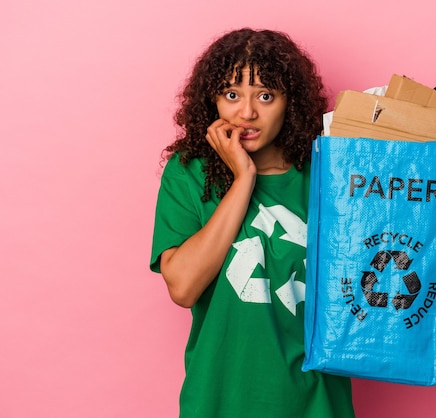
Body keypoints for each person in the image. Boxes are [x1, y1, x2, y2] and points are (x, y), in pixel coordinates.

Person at [149, 28, 355, 417]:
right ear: (212, 101)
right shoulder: (189, 174)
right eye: (231, 95)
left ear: (288, 102)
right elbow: (183, 287)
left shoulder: (330, 176)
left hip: (315, 403)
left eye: (265, 95)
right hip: (219, 400)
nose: (246, 113)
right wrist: (243, 179)